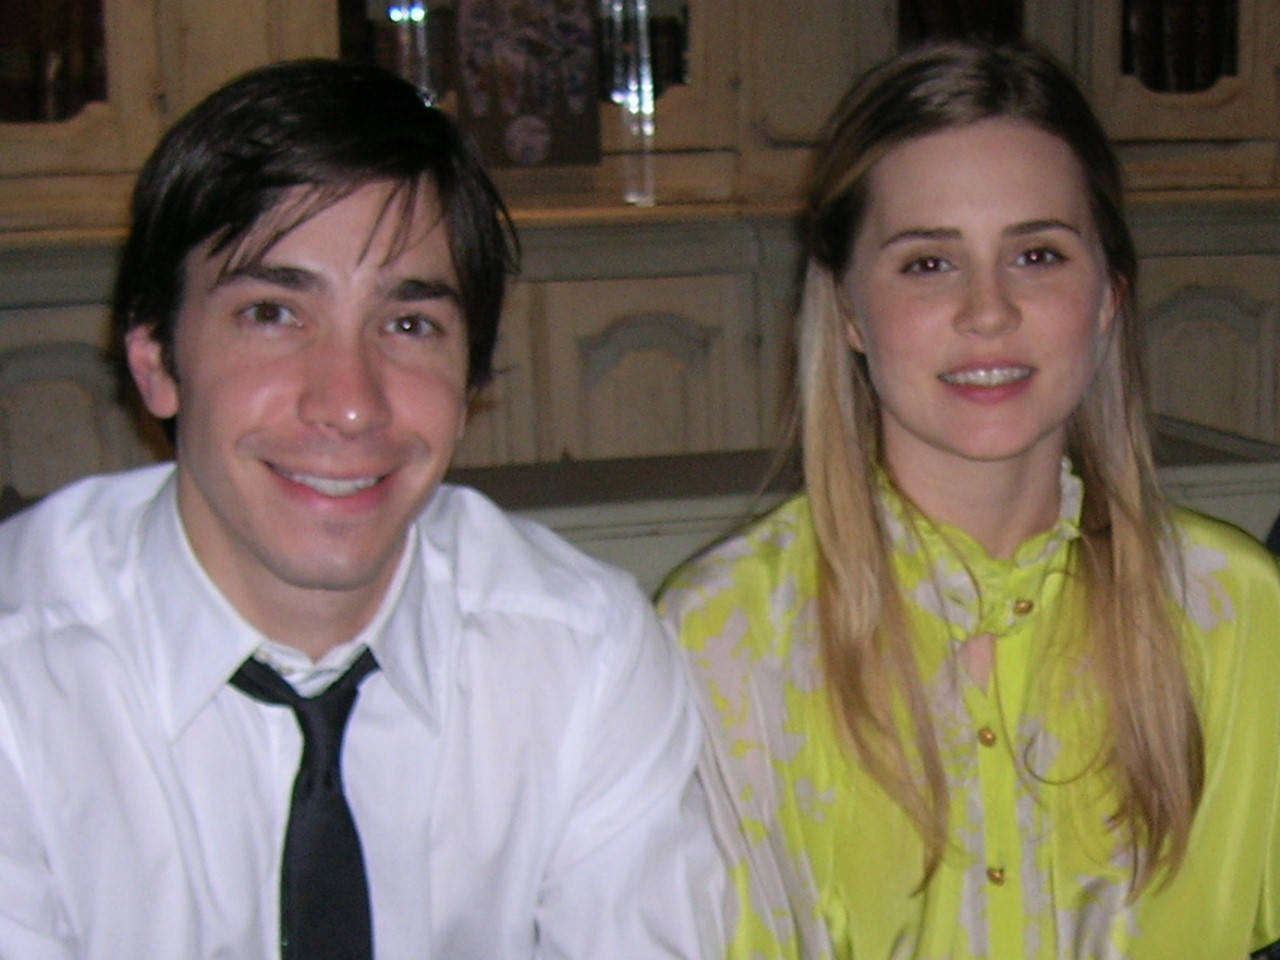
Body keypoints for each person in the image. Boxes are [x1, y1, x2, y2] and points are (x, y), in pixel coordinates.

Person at [0, 59, 721, 959]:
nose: (349, 402)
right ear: (154, 357)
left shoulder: (584, 656)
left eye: (410, 324)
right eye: (272, 313)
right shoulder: (23, 679)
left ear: (472, 384)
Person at [658, 38, 1280, 960]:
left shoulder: (1237, 615)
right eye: (928, 263)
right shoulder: (722, 638)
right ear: (849, 311)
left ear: (1108, 297)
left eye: (1037, 254)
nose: (988, 311)